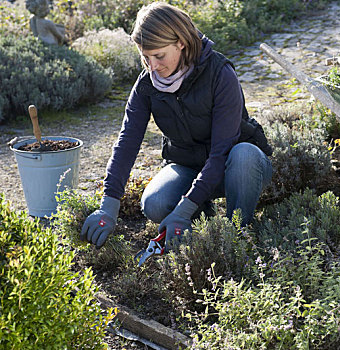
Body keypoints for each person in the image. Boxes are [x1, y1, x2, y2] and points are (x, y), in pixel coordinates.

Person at [80, 2, 273, 250]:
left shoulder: (220, 74)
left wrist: (183, 208)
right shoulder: (147, 85)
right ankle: (203, 225)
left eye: (159, 55)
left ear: (181, 42)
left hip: (237, 168)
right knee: (154, 203)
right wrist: (108, 205)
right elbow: (126, 143)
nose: (153, 66)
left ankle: (236, 236)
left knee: (243, 154)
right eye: (145, 56)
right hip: (189, 166)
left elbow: (221, 151)